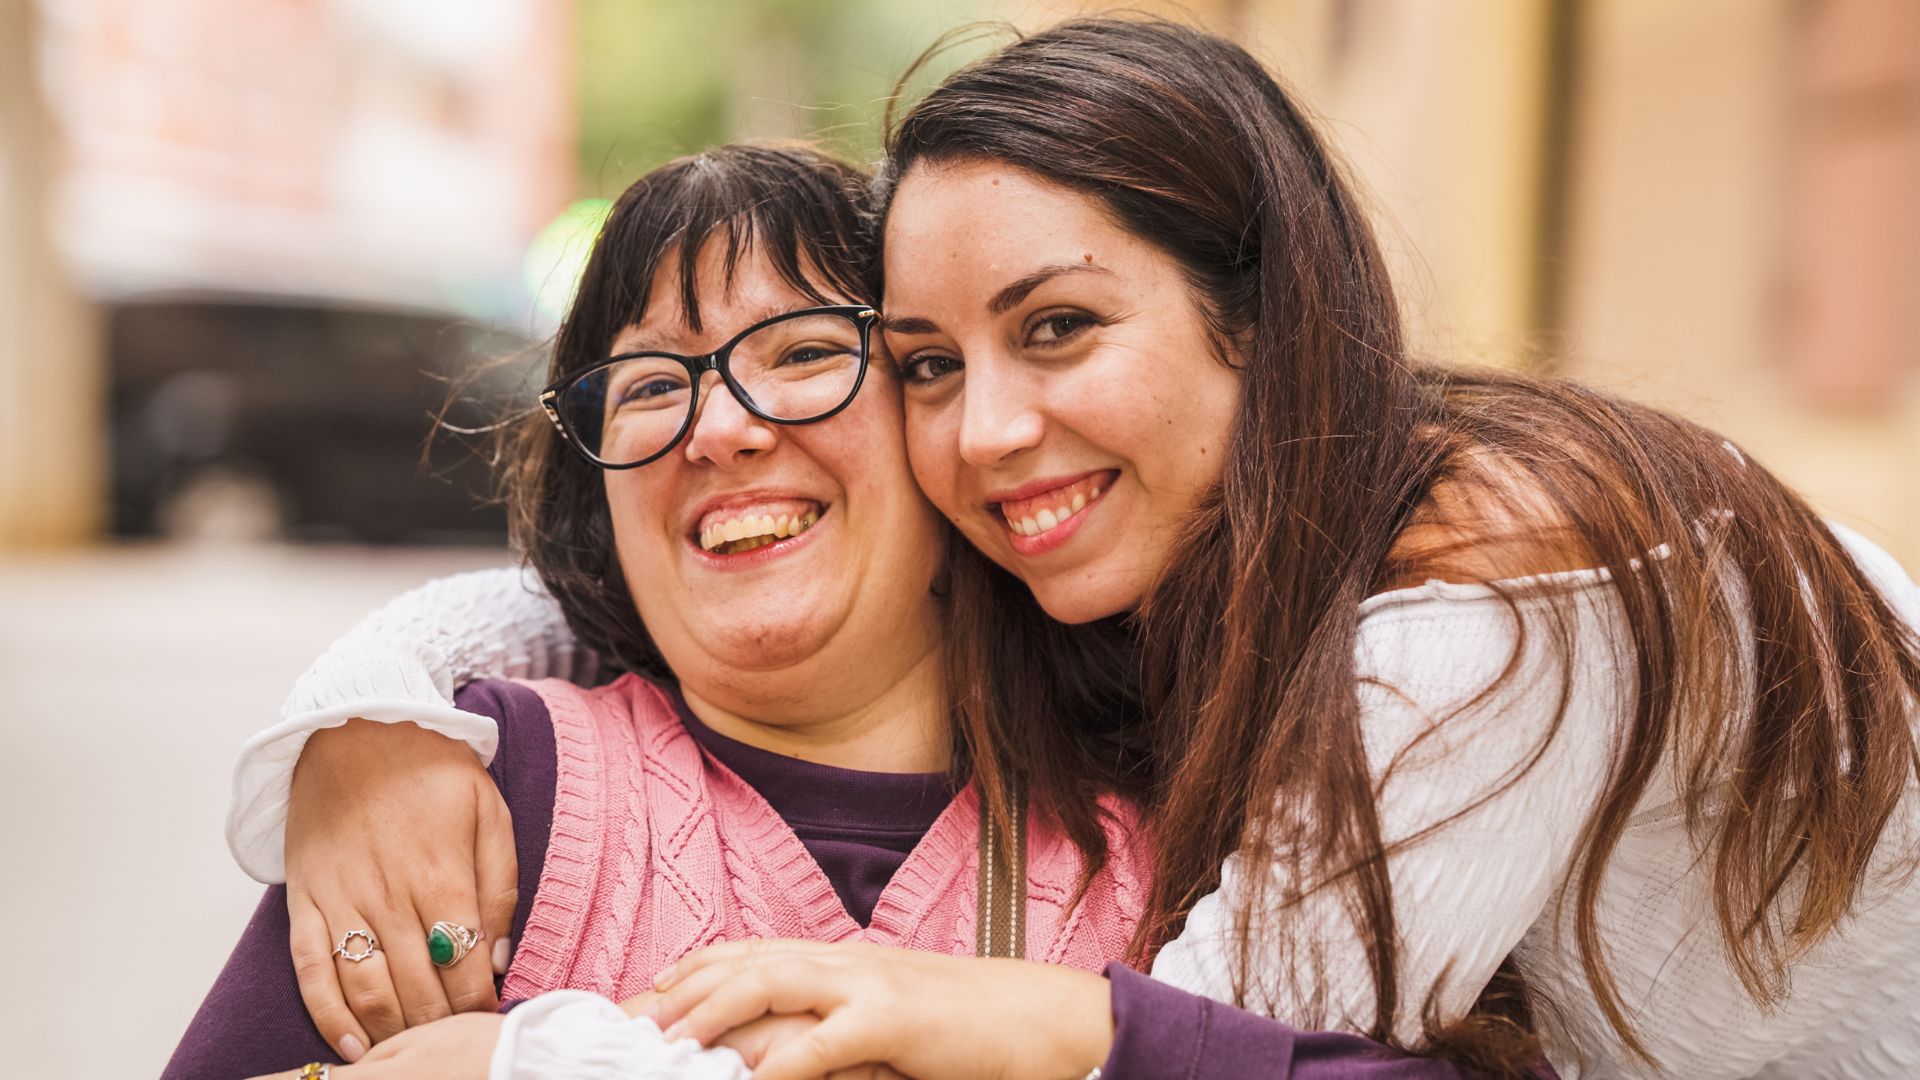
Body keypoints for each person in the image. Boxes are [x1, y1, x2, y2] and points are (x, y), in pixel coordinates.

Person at [239, 15, 1920, 1080]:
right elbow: (684, 550)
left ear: (1261, 322)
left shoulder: (1487, 608)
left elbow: (1232, 1058)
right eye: (924, 363)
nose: (979, 435)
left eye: (1057, 329)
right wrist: (375, 708)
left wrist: (519, 1064)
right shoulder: (1234, 557)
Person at [162, 142, 1150, 1080]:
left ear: (939, 407)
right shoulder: (477, 789)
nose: (718, 429)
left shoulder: (1174, 835)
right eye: (647, 384)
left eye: (803, 352)